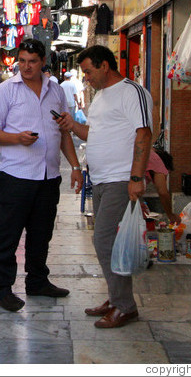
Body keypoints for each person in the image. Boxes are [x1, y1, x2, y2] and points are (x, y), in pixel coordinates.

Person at [55, 44, 153, 328]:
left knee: (105, 241)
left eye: (88, 71)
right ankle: (115, 297)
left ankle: (125, 306)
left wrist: (136, 177)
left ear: (105, 66)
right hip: (99, 179)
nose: (85, 78)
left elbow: (144, 133)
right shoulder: (100, 97)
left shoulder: (132, 92)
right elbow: (94, 134)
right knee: (104, 241)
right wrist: (72, 126)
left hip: (120, 179)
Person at [0, 38, 84, 312]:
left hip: (48, 177)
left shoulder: (56, 91)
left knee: (42, 234)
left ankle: (38, 281)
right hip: (15, 177)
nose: (26, 67)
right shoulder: (7, 91)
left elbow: (63, 133)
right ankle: (2, 289)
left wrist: (75, 167)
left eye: (33, 61)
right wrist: (16, 138)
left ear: (43, 62)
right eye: (23, 61)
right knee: (6, 234)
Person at [147, 149, 180, 225]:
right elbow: (163, 193)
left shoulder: (149, 155)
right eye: (166, 173)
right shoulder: (157, 161)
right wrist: (170, 215)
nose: (165, 177)